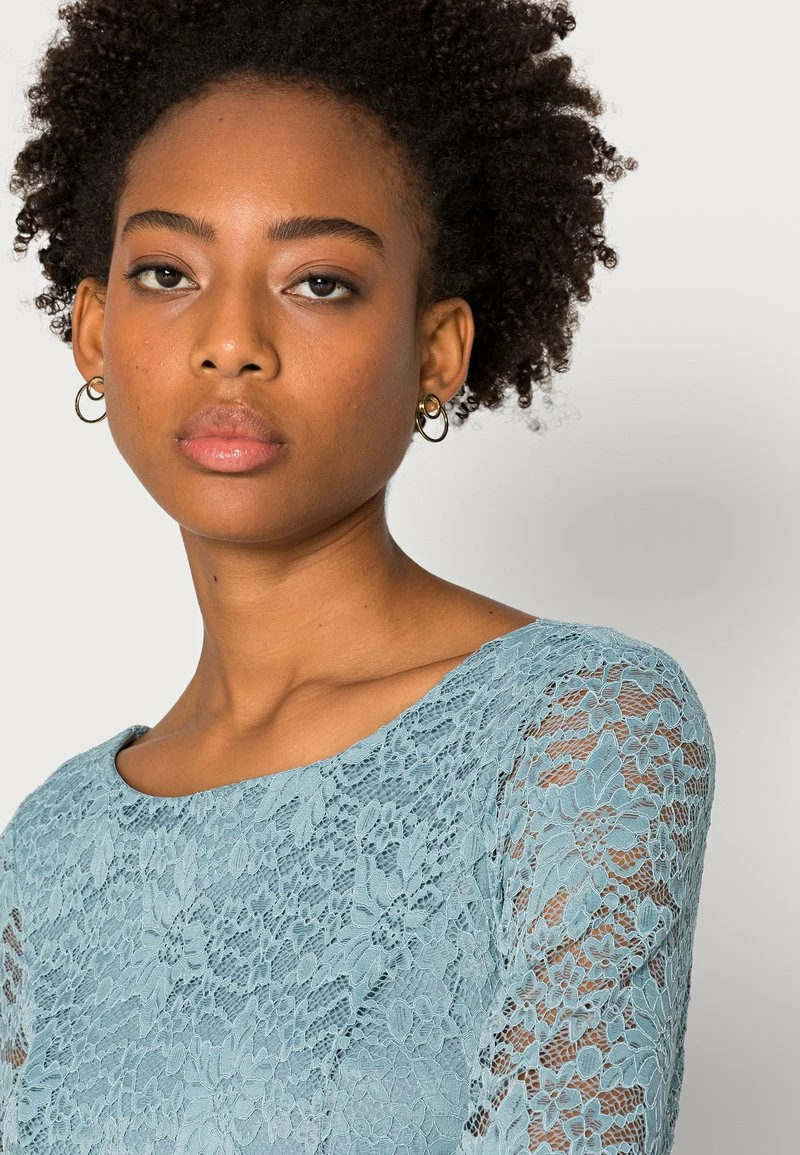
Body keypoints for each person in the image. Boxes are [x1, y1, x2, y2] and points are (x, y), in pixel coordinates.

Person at [0, 1, 715, 1152]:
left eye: (317, 282)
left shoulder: (575, 732)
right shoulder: (51, 843)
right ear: (92, 332)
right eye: (168, 271)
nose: (231, 342)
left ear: (434, 352)